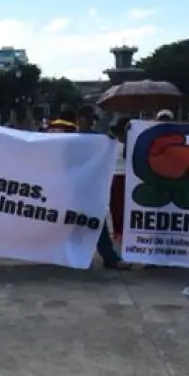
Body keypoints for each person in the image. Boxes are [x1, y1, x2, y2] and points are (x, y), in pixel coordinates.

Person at [77, 106, 131, 270]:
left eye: (93, 120)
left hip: (91, 188)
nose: (91, 123)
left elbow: (111, 141)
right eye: (88, 119)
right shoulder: (70, 139)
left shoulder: (96, 138)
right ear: (79, 118)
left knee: (95, 222)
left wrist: (124, 130)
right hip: (75, 188)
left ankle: (109, 257)